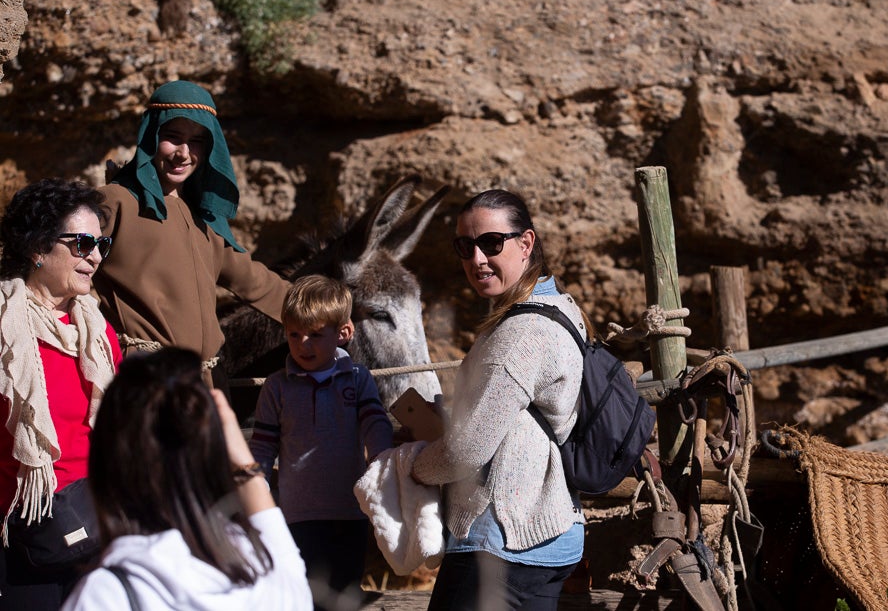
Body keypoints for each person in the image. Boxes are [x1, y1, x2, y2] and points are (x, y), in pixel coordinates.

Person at [411, 189, 588, 611]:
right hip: (544, 534)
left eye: (492, 243)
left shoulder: (521, 334)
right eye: (465, 246)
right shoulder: (559, 306)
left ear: (525, 243)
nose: (477, 259)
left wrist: (411, 466)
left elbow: (468, 450)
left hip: (501, 540)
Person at [61, 347, 312, 610]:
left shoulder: (105, 595)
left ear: (108, 466)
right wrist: (243, 465)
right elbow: (292, 577)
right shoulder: (256, 564)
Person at [92, 79, 289, 384]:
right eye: (172, 137)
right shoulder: (115, 201)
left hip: (207, 384)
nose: (184, 153)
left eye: (196, 141)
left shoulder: (201, 217)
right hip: (146, 380)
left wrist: (326, 311)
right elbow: (65, 269)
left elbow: (255, 282)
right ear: (150, 135)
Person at [0, 179, 123, 609]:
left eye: (101, 244)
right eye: (82, 243)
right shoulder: (5, 328)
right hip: (26, 541)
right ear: (37, 247)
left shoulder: (98, 331)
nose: (94, 256)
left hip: (101, 531)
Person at [249, 275, 393, 609]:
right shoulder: (276, 386)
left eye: (315, 334)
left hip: (349, 514)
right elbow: (263, 444)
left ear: (343, 333)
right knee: (301, 598)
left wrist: (383, 460)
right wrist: (254, 481)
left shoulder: (358, 379)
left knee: (343, 596)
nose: (303, 344)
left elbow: (375, 423)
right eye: (294, 334)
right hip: (297, 517)